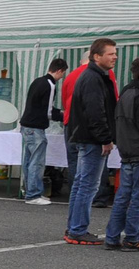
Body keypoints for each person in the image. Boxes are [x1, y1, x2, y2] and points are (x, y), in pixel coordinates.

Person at [64, 38, 119, 246]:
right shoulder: (93, 78)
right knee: (87, 185)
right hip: (91, 139)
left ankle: (74, 227)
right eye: (110, 53)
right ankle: (77, 229)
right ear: (97, 56)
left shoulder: (91, 76)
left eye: (115, 53)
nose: (114, 57)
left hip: (84, 136)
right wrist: (105, 138)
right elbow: (96, 112)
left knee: (81, 183)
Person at [18, 58, 67, 207]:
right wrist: (63, 115)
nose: (62, 77)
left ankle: (31, 192)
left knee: (28, 160)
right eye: (62, 74)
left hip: (26, 125)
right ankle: (33, 194)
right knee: (37, 162)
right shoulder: (50, 85)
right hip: (36, 127)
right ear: (59, 71)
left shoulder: (37, 81)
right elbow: (49, 111)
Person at [106, 58, 139, 251]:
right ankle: (133, 238)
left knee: (123, 196)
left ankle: (112, 237)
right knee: (136, 198)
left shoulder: (126, 91)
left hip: (126, 149)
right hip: (137, 149)